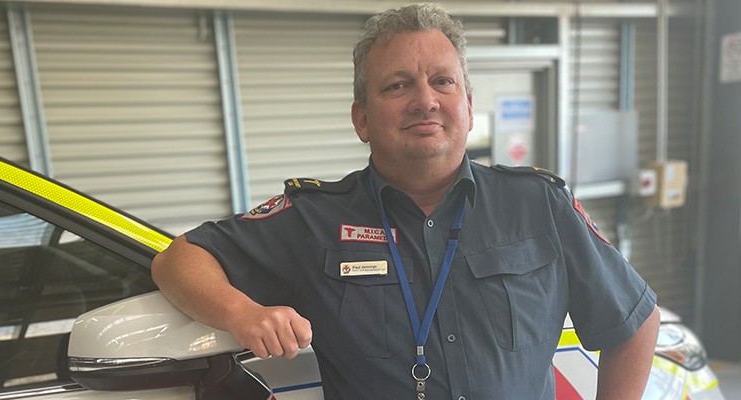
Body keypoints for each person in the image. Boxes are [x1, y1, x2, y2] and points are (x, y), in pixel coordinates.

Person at [151, 4, 660, 399]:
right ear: (362, 120)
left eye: (443, 81)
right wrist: (242, 313)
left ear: (468, 107)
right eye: (398, 85)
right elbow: (179, 259)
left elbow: (634, 322)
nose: (425, 99)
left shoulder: (538, 205)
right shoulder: (314, 217)